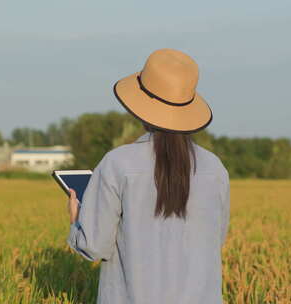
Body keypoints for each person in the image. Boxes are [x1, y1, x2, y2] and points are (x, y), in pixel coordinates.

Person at [66, 48, 231, 304]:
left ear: (140, 107)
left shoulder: (117, 163)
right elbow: (215, 241)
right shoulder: (215, 168)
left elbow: (95, 246)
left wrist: (77, 219)